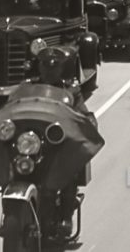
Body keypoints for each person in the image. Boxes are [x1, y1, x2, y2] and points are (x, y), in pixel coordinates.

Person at [36, 47, 95, 236]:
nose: (49, 70)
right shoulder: (28, 88)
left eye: (53, 66)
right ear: (40, 67)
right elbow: (13, 105)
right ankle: (10, 212)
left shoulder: (71, 91)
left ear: (61, 69)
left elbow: (82, 112)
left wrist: (89, 123)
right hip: (35, 143)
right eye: (45, 66)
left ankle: (65, 215)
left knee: (68, 167)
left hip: (58, 144)